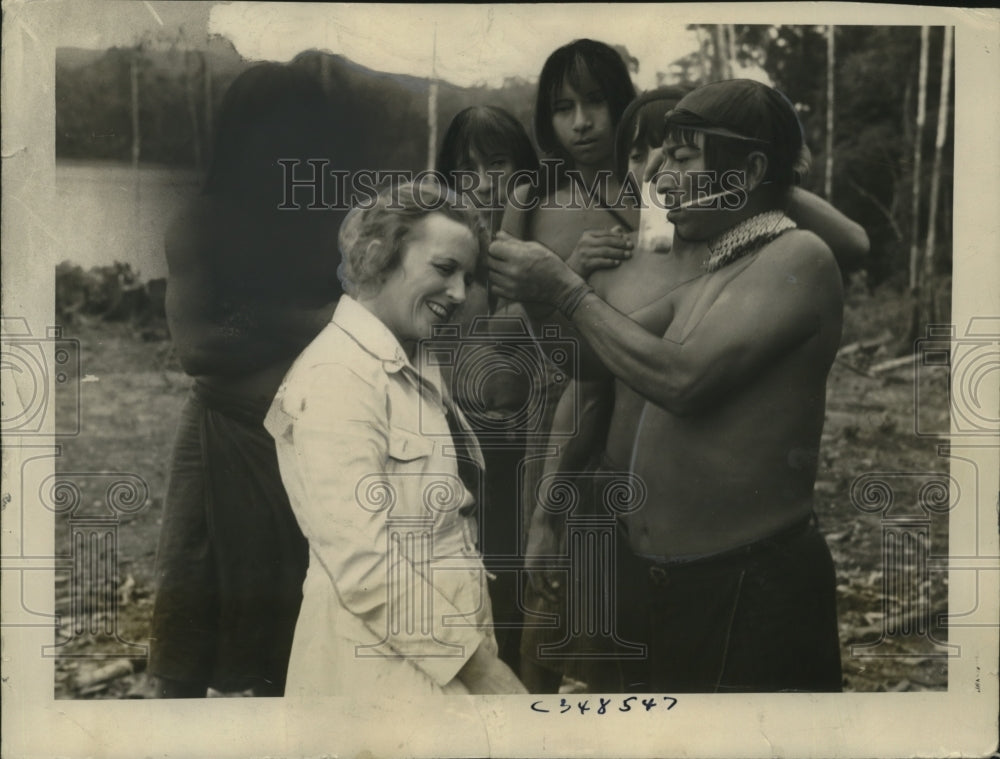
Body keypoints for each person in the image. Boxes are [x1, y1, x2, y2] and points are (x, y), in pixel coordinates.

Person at [488, 78, 846, 693]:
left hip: (745, 585)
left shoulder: (798, 257)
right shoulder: (720, 267)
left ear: (750, 168)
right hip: (678, 584)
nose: (658, 178)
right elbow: (591, 364)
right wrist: (546, 299)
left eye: (681, 158)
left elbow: (682, 380)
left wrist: (565, 290)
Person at [264, 182, 527, 697]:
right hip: (374, 676)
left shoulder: (411, 362)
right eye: (444, 269)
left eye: (468, 278)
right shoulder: (338, 374)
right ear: (378, 256)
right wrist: (484, 674)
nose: (458, 293)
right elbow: (365, 564)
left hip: (433, 662)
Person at [148, 63, 343, 697]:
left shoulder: (330, 222)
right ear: (239, 135)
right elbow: (198, 346)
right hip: (219, 443)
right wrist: (309, 322)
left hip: (305, 445)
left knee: (294, 639)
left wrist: (263, 321)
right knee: (187, 632)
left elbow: (369, 319)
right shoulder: (202, 222)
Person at [435, 106, 540, 673]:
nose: (481, 184)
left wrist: (521, 220)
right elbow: (497, 336)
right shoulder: (445, 256)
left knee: (521, 605)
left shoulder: (549, 238)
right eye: (464, 170)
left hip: (526, 457)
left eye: (498, 164)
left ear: (525, 171)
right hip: (460, 457)